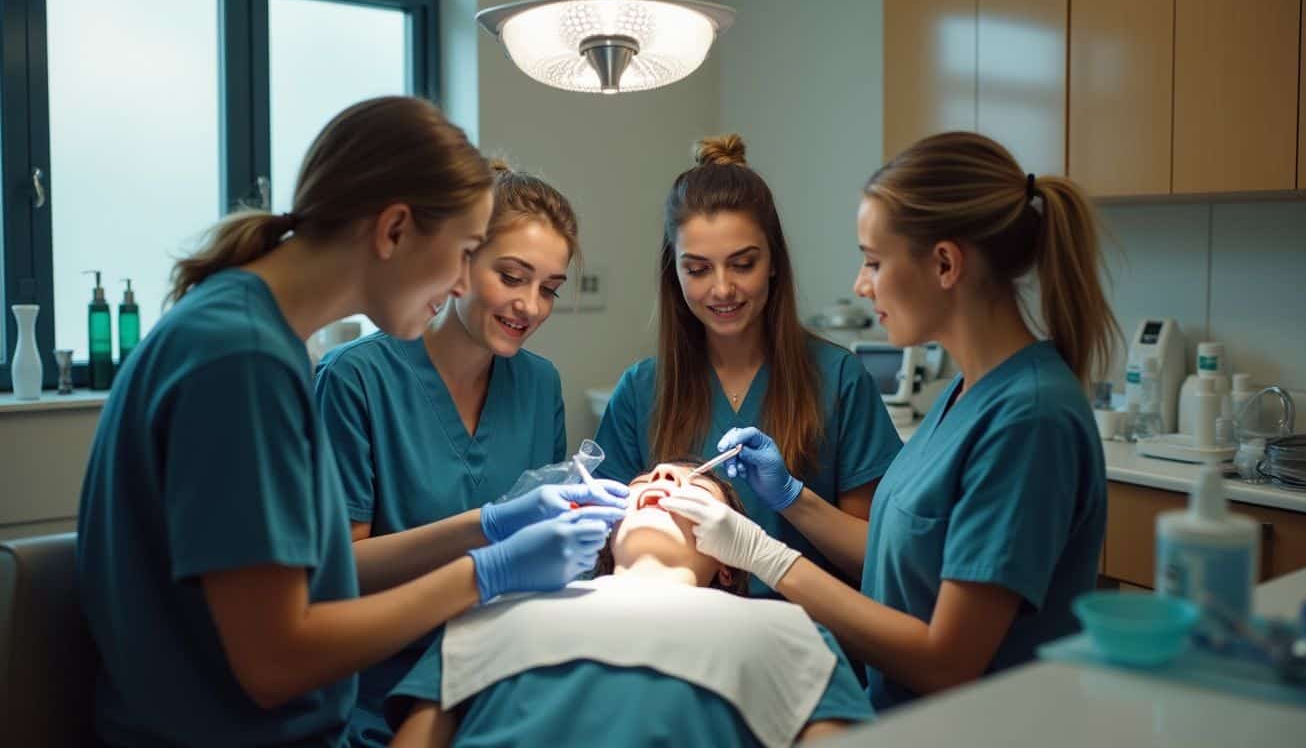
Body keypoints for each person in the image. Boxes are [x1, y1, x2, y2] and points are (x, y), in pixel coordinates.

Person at [75, 96, 623, 747]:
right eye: (468, 252)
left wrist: (493, 525)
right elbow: (277, 663)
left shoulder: (248, 332)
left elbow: (310, 583)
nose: (457, 283)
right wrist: (486, 571)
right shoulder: (243, 360)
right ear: (394, 230)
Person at [662, 131, 1116, 709]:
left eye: (874, 261)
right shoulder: (964, 396)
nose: (861, 284)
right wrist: (792, 497)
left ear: (946, 263)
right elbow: (899, 556)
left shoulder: (1028, 419)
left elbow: (946, 661)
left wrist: (762, 554)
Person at [313, 161, 593, 746]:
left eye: (549, 289)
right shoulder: (357, 380)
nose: (532, 307)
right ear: (460, 261)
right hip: (378, 680)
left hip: (502, 666)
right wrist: (481, 532)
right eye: (512, 277)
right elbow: (340, 573)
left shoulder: (539, 386)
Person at [595, 134, 902, 595]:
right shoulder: (642, 391)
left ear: (774, 261)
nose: (722, 289)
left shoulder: (838, 380)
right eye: (697, 269)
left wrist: (793, 499)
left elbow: (876, 561)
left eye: (742, 264)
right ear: (673, 272)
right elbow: (606, 547)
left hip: (806, 639)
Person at [384, 462, 875, 747]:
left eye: (696, 488)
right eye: (644, 481)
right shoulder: (500, 603)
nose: (660, 475)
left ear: (729, 561)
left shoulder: (783, 628)